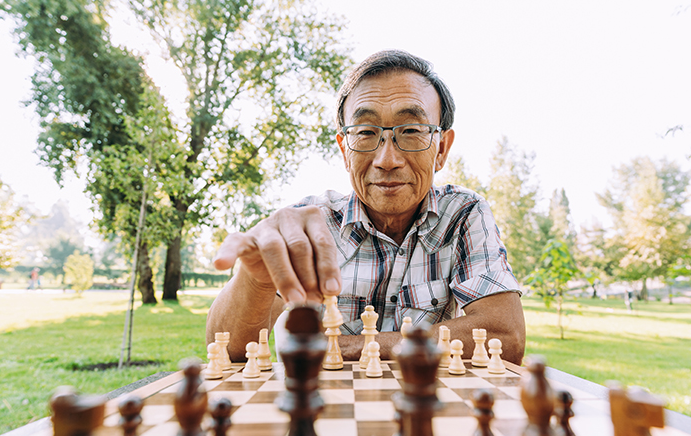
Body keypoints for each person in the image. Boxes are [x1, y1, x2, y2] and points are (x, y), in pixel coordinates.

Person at [206, 50, 526, 364]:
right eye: (366, 133)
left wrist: (349, 346)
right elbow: (225, 352)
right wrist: (256, 280)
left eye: (411, 131)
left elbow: (506, 337)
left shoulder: (464, 214)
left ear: (441, 148)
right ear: (345, 149)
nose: (387, 160)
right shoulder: (305, 226)